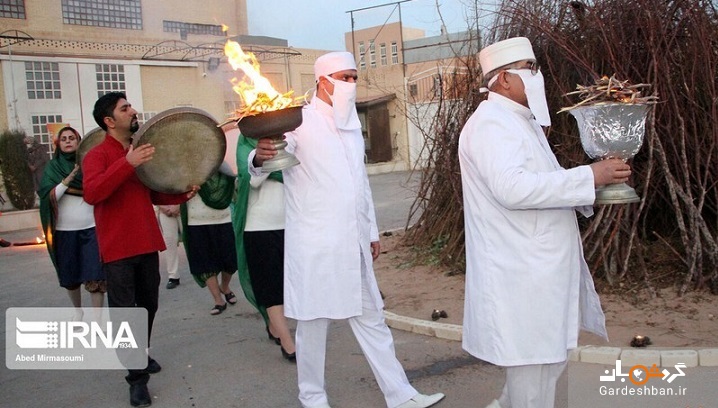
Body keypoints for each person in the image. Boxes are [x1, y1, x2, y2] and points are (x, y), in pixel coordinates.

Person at [252, 51, 445, 408]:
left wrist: (370, 232)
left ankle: (401, 395)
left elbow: (360, 186)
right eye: (345, 78)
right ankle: (312, 398)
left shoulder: (351, 126)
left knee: (372, 320)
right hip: (317, 246)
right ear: (323, 82)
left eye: (354, 78)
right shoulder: (299, 121)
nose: (351, 85)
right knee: (313, 325)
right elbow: (268, 158)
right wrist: (260, 156)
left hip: (352, 243)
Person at [458, 37, 632, 408]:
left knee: (546, 365)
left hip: (539, 271)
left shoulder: (520, 122)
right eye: (530, 69)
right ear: (503, 79)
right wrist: (588, 177)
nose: (538, 76)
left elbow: (544, 185)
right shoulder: (492, 124)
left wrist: (597, 182)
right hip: (520, 273)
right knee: (531, 378)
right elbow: (513, 189)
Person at [82, 92, 198, 407]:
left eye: (129, 105)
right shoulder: (97, 155)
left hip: (147, 243)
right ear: (109, 121)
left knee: (148, 306)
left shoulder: (140, 152)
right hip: (117, 249)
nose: (133, 111)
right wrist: (126, 163)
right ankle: (136, 379)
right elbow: (93, 193)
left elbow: (152, 195)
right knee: (125, 315)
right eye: (125, 108)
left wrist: (182, 195)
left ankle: (139, 355)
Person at [234, 130, 296, 360]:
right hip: (259, 227)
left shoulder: (292, 137)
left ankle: (275, 326)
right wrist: (260, 158)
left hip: (294, 224)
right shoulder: (246, 143)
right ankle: (288, 343)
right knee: (271, 289)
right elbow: (248, 173)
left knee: (292, 284)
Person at [39, 126, 105, 317]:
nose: (68, 141)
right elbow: (47, 197)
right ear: (58, 144)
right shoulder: (53, 167)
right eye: (64, 139)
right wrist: (66, 181)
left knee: (96, 274)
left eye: (72, 138)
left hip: (91, 229)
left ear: (79, 142)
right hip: (64, 231)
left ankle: (97, 318)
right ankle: (78, 311)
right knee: (70, 275)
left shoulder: (89, 164)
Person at [180, 169, 239, 315]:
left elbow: (233, 176)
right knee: (205, 264)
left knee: (231, 261)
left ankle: (224, 286)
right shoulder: (186, 166)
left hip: (223, 218)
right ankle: (218, 300)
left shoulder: (221, 164)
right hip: (196, 221)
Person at [156, 205, 182, 289]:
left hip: (183, 205)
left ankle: (201, 272)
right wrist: (162, 207)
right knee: (169, 242)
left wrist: (179, 205)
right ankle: (173, 275)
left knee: (192, 240)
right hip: (164, 208)